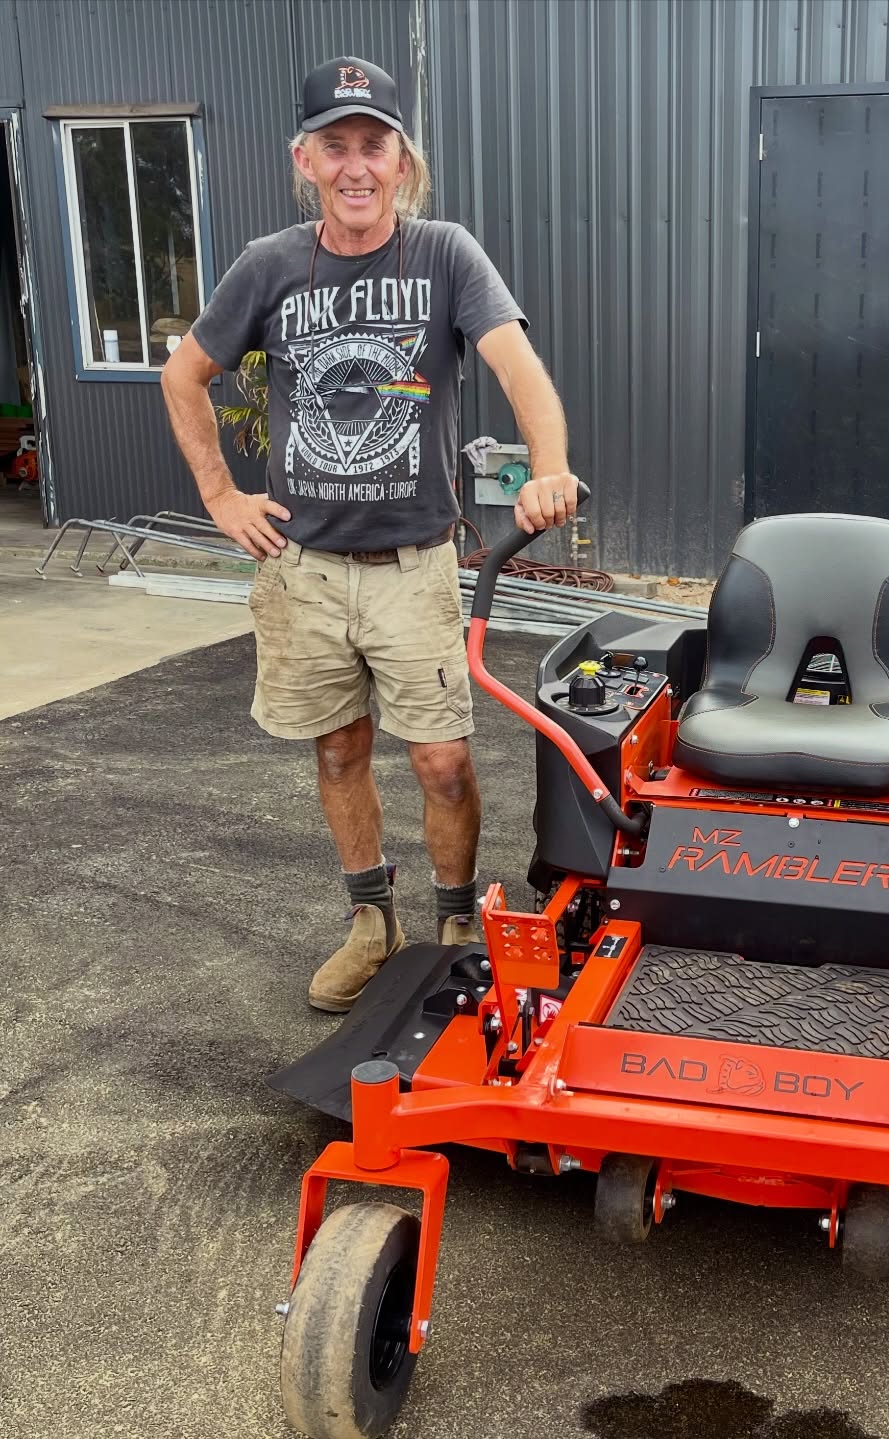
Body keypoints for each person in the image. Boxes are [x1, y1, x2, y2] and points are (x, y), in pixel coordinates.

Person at [161, 55, 579, 1013]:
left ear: (402, 160)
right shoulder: (268, 266)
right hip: (302, 569)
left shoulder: (445, 254)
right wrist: (223, 496)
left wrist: (547, 467)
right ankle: (369, 921)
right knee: (340, 750)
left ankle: (455, 923)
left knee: (442, 758)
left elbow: (520, 370)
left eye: (374, 145)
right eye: (336, 145)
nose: (357, 165)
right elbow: (183, 376)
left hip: (414, 567)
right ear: (303, 158)